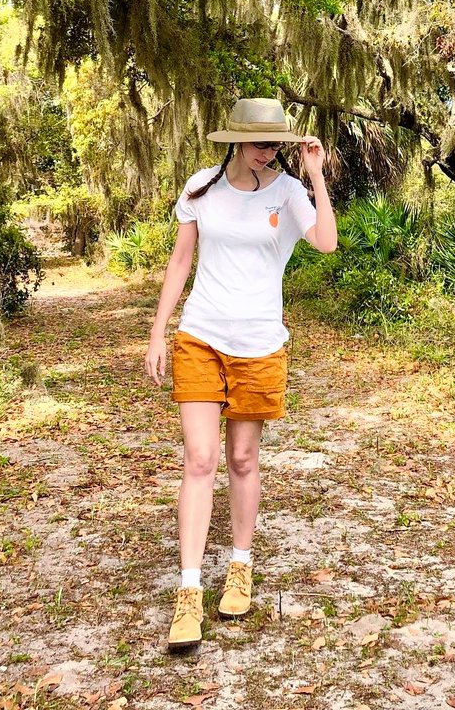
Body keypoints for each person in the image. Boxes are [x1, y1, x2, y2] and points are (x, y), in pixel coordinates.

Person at [145, 97, 337, 651]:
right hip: (200, 336)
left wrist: (316, 176)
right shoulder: (200, 188)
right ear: (234, 140)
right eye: (259, 142)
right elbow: (181, 261)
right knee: (200, 458)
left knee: (242, 458)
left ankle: (241, 566)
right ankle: (187, 595)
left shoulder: (288, 191)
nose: (268, 150)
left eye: (275, 143)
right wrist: (159, 331)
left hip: (259, 345)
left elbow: (325, 242)